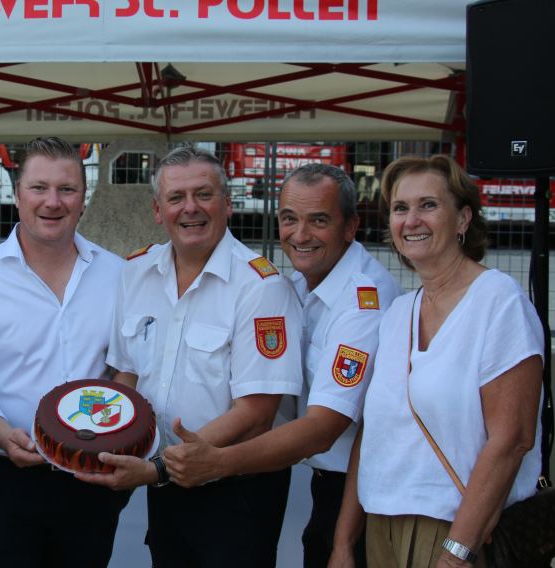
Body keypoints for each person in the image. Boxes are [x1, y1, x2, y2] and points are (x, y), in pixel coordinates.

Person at [162, 163, 402, 568]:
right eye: (289, 219)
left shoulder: (363, 302)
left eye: (319, 221)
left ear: (350, 226)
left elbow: (323, 429)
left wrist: (217, 462)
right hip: (326, 487)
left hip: (363, 499)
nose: (300, 235)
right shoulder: (300, 285)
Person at [77, 146, 304, 568]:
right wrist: (101, 437)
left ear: (228, 204)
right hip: (166, 485)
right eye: (176, 197)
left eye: (204, 194)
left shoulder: (262, 288)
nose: (191, 208)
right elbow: (127, 373)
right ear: (158, 210)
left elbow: (257, 413)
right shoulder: (136, 273)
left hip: (236, 490)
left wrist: (159, 468)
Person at [328, 155, 544, 568]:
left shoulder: (499, 302)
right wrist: (342, 542)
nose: (411, 220)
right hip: (381, 528)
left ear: (463, 219)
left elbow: (511, 440)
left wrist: (457, 552)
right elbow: (374, 435)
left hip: (455, 532)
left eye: (428, 205)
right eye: (399, 208)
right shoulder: (397, 314)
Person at [0, 137, 129, 568]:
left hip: (91, 475)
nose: (53, 202)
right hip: (8, 476)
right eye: (39, 188)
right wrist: (1, 431)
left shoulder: (118, 275)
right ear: (18, 194)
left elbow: (127, 367)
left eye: (67, 189)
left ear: (84, 198)